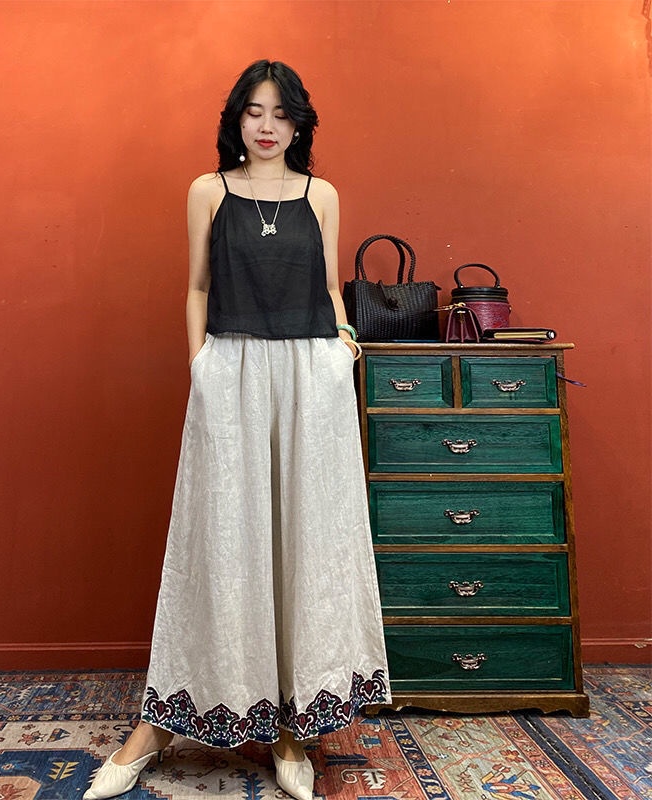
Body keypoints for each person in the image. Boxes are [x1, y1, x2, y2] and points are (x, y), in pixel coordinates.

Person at [84, 59, 389, 800]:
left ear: (299, 124)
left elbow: (327, 290)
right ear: (237, 119)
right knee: (223, 540)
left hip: (310, 377)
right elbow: (197, 286)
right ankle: (158, 726)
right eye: (254, 111)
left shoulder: (321, 196)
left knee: (303, 542)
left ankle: (290, 730)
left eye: (281, 113)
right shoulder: (209, 191)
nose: (267, 125)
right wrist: (203, 368)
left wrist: (343, 343)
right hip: (232, 369)